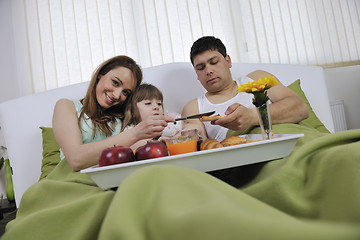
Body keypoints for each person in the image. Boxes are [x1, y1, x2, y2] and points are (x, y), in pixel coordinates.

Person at [52, 55, 173, 171]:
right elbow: (76, 159)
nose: (116, 95)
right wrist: (135, 133)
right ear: (101, 74)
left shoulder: (123, 119)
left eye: (125, 92)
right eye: (115, 82)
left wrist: (164, 140)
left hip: (111, 178)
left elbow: (135, 147)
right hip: (73, 180)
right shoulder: (66, 106)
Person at [182, 36, 309, 142]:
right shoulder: (194, 107)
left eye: (214, 62)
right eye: (200, 68)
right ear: (196, 74)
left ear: (228, 61)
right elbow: (198, 138)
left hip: (292, 139)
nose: (208, 71)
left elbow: (300, 108)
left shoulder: (258, 78)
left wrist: (252, 116)